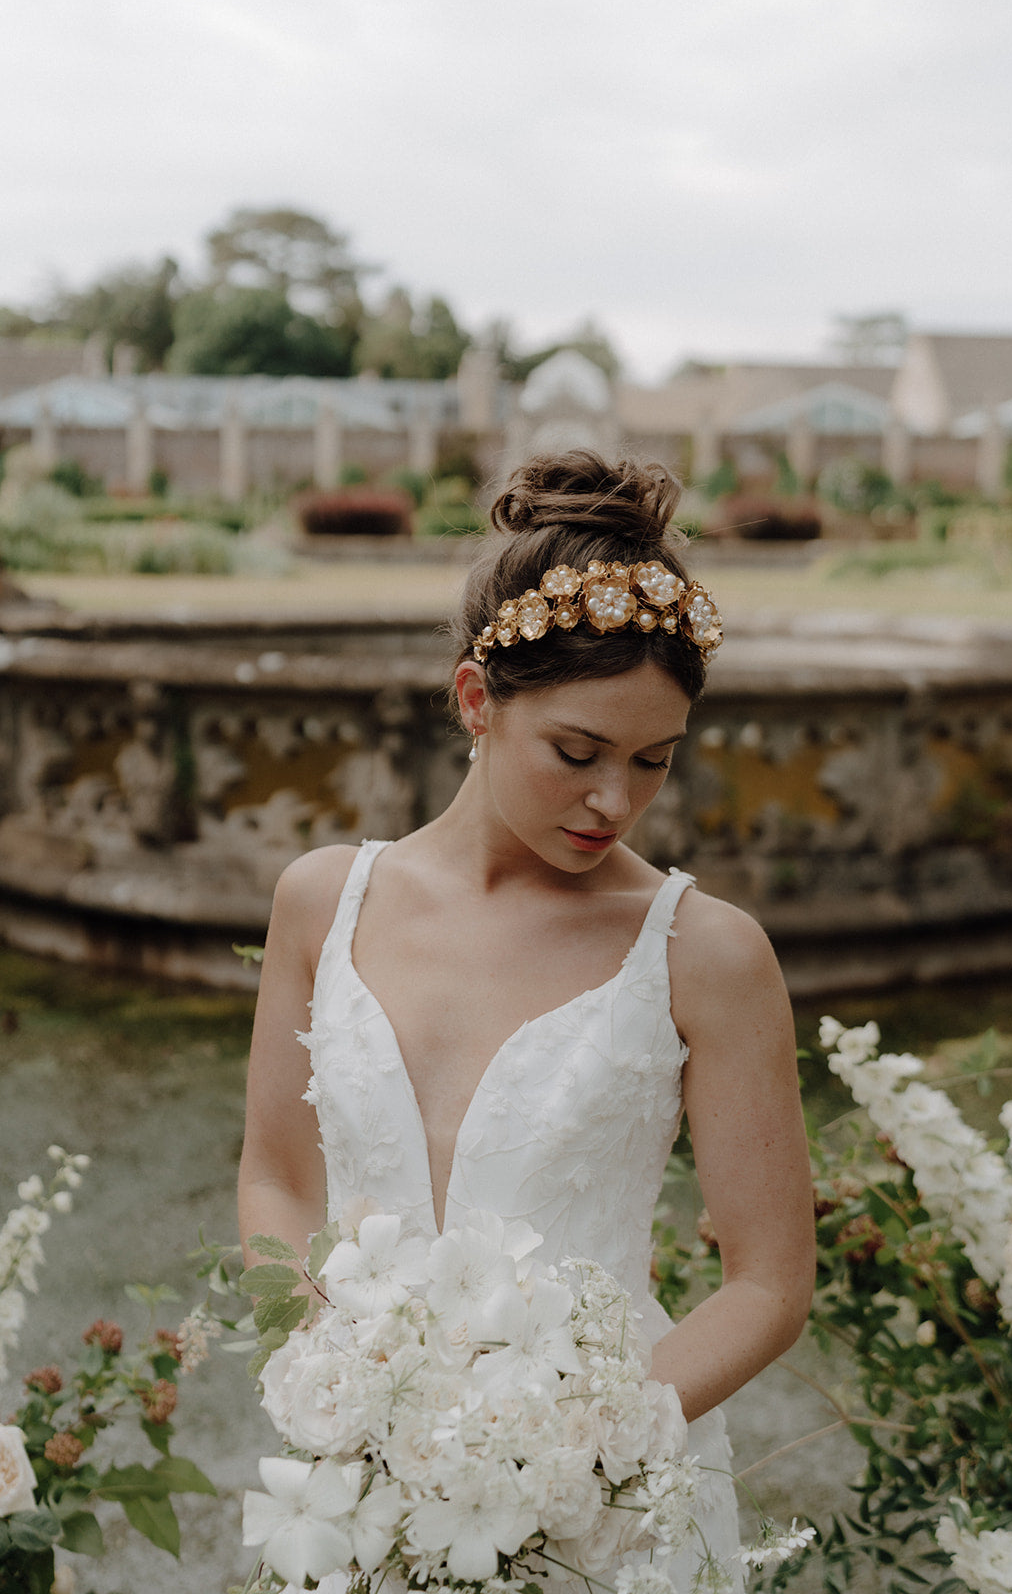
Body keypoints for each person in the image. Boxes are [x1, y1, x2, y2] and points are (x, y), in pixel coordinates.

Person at [238, 449, 815, 1593]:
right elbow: (278, 1178)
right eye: (576, 753)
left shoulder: (706, 953)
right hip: (359, 1487)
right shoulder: (321, 902)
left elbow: (767, 1282)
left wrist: (563, 1452)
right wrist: (339, 1375)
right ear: (474, 702)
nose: (615, 800)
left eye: (653, 761)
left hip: (607, 1508)